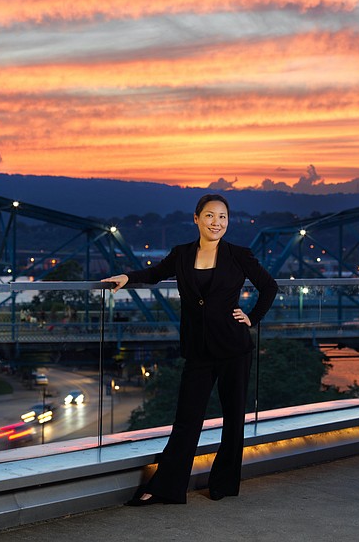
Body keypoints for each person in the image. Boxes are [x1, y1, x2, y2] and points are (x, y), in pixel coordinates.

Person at [103, 193, 278, 506]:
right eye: (210, 216)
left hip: (234, 347)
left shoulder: (239, 254)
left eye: (222, 217)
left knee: (234, 418)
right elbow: (154, 273)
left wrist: (251, 318)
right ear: (196, 219)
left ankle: (223, 483)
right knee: (187, 419)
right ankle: (166, 489)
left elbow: (269, 287)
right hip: (198, 350)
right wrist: (127, 277)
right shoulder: (182, 254)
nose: (216, 223)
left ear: (228, 221)